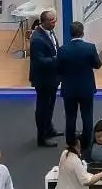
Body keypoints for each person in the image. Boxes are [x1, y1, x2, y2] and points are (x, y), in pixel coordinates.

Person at [58, 21, 102, 147]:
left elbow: (58, 69)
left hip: (69, 89)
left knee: (70, 116)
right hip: (86, 88)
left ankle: (70, 142)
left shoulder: (62, 50)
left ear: (70, 34)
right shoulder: (90, 47)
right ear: (82, 33)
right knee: (87, 116)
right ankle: (86, 142)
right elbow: (98, 65)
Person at [29, 9, 62, 146]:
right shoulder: (37, 39)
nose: (54, 22)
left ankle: (49, 129)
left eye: (55, 20)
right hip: (43, 79)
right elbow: (40, 61)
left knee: (50, 105)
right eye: (51, 20)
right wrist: (57, 59)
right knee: (43, 107)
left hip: (52, 77)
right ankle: (41, 138)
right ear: (43, 22)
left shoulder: (50, 32)